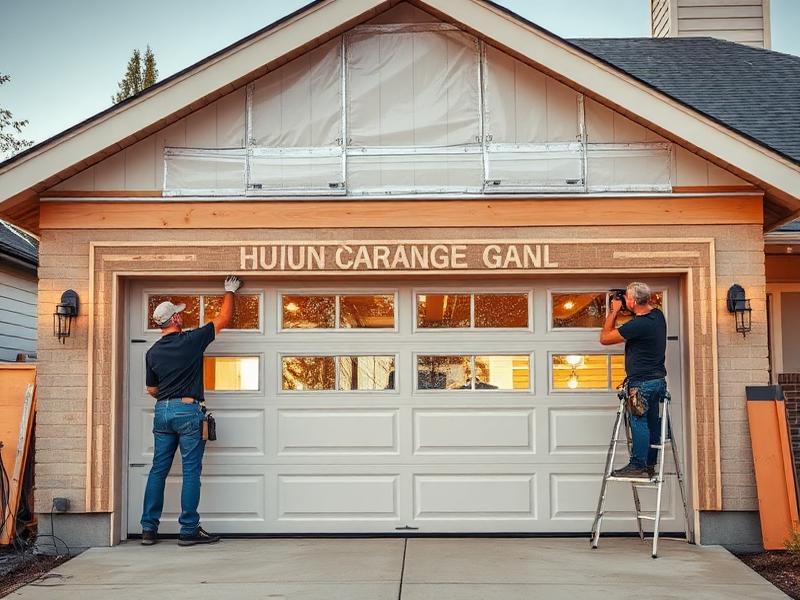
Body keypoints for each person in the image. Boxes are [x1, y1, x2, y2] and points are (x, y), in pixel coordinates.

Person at [140, 275, 242, 546]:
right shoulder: (191, 340)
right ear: (174, 320)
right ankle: (187, 531)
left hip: (162, 412)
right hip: (188, 412)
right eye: (178, 315)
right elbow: (223, 319)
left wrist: (168, 398)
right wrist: (229, 291)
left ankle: (148, 529)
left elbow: (151, 390)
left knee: (157, 470)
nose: (181, 318)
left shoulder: (151, 353)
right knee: (190, 472)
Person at [600, 282, 667, 480]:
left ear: (633, 301)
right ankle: (650, 464)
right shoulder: (658, 316)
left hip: (641, 384)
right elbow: (641, 313)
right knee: (653, 422)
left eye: (628, 297)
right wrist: (628, 308)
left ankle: (638, 465)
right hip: (658, 381)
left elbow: (604, 338)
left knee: (638, 421)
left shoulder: (638, 325)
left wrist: (614, 311)